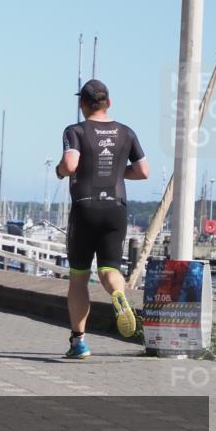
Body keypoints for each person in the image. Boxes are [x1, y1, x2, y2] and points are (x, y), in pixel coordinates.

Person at [56, 79, 148, 359]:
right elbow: (143, 171)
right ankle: (118, 295)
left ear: (81, 104)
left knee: (79, 278)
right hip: (115, 208)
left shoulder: (76, 131)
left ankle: (78, 341)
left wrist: (60, 172)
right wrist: (119, 173)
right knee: (109, 270)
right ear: (108, 102)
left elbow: (71, 164)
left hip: (85, 207)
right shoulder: (126, 132)